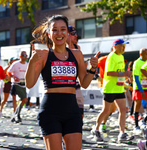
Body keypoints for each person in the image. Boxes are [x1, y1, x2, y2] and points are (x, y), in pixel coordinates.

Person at [25, 15, 99, 150]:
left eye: (63, 29)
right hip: (50, 110)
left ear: (68, 33)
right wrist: (31, 62)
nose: (59, 34)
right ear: (49, 33)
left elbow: (84, 83)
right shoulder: (43, 55)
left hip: (72, 110)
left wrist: (93, 69)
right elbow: (29, 84)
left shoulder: (77, 54)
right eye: (55, 30)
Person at [92, 39, 132, 142]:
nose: (124, 48)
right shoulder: (111, 57)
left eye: (124, 46)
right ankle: (96, 129)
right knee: (106, 111)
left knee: (123, 110)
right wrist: (124, 74)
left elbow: (120, 72)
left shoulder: (121, 56)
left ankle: (122, 133)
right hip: (109, 88)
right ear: (115, 46)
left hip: (119, 88)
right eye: (121, 46)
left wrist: (126, 79)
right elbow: (109, 73)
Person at [132, 48, 147, 133]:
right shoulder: (137, 63)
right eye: (146, 54)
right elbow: (137, 78)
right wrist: (141, 90)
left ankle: (144, 121)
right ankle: (136, 125)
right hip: (138, 88)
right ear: (141, 54)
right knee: (137, 105)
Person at [66, 25, 85, 116]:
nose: (76, 36)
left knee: (80, 110)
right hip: (62, 85)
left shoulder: (77, 48)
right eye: (73, 34)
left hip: (75, 83)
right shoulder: (58, 48)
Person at [7, 51, 28, 123]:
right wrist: (14, 77)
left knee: (24, 100)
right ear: (20, 56)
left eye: (26, 55)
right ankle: (17, 115)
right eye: (24, 55)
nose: (25, 56)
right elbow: (8, 72)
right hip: (16, 84)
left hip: (23, 84)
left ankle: (15, 115)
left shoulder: (27, 64)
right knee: (23, 99)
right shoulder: (15, 64)